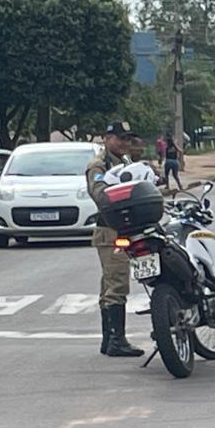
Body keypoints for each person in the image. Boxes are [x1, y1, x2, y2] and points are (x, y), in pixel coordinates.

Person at [86, 121, 145, 358]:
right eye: (119, 138)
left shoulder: (126, 163)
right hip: (110, 231)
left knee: (109, 283)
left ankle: (108, 339)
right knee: (117, 283)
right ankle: (116, 341)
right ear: (106, 138)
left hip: (126, 228)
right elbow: (100, 194)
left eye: (127, 139)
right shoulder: (98, 165)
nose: (124, 143)